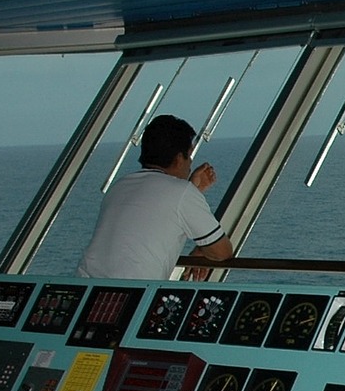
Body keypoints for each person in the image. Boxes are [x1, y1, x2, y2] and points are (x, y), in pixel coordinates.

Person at [77, 114, 235, 279]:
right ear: (179, 158)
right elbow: (222, 252)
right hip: (131, 295)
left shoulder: (119, 186)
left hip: (85, 290)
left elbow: (160, 212)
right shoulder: (182, 193)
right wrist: (203, 249)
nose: (190, 162)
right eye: (189, 155)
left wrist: (192, 188)